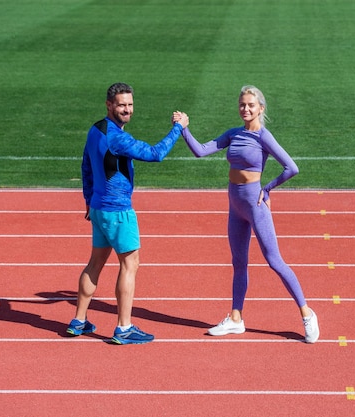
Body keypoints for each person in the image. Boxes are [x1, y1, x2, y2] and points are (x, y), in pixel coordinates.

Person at [174, 85, 319, 343]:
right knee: (238, 263)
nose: (246, 109)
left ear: (261, 108)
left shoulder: (263, 137)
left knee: (274, 260)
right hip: (235, 205)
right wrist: (184, 128)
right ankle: (236, 318)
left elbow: (291, 167)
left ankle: (307, 314)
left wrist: (268, 188)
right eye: (242, 105)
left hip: (255, 204)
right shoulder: (233, 134)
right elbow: (200, 150)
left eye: (251, 105)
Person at [66, 82, 189, 345]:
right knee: (130, 264)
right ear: (109, 105)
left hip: (99, 208)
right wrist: (179, 127)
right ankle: (124, 328)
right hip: (118, 210)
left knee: (95, 263)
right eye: (121, 105)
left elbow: (86, 165)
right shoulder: (117, 138)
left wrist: (88, 199)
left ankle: (78, 321)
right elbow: (155, 154)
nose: (127, 110)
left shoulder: (94, 130)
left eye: (130, 105)